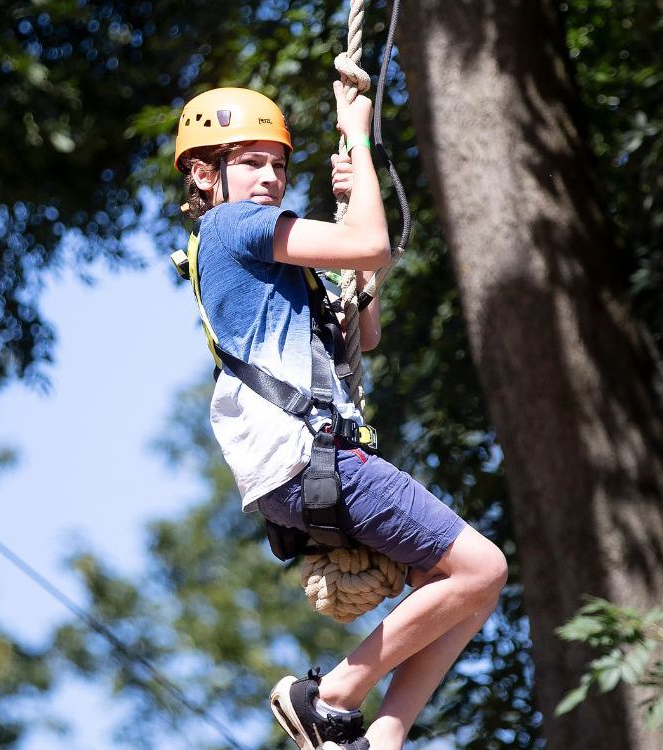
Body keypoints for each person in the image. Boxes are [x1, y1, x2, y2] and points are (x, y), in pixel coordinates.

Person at [173, 83, 508, 750]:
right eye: (251, 162)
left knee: (464, 592)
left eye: (279, 164)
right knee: (484, 569)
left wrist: (356, 201)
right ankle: (326, 696)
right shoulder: (233, 226)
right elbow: (375, 245)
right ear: (205, 173)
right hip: (313, 458)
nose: (270, 177)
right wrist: (356, 132)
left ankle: (379, 742)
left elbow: (365, 325)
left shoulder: (270, 262)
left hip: (303, 470)